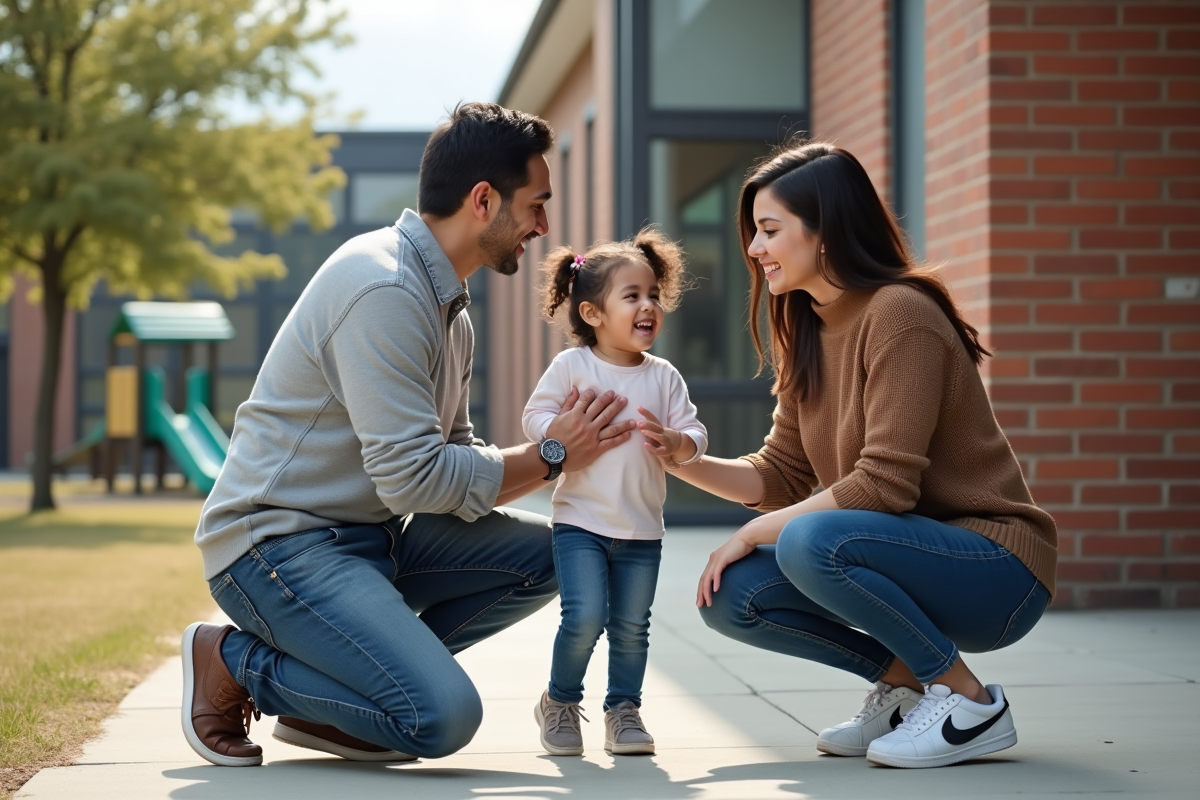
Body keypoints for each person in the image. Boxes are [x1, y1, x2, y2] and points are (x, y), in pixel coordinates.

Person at [180, 102, 639, 767]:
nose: (544, 226)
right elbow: (413, 478)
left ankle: (362, 693)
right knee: (441, 716)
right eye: (536, 204)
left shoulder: (449, 307)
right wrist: (551, 454)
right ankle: (232, 660)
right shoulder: (386, 289)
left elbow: (449, 457)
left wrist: (559, 454)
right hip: (276, 548)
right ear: (483, 200)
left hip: (372, 539)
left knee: (557, 557)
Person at [668, 141, 1057, 769]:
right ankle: (906, 684)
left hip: (997, 568)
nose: (753, 248)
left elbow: (884, 487)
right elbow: (781, 473)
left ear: (826, 233)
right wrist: (677, 459)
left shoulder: (900, 314)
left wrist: (753, 531)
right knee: (734, 594)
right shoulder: (810, 330)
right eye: (753, 232)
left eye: (769, 231)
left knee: (806, 540)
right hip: (914, 555)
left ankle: (970, 702)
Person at [522, 229, 706, 758]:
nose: (648, 306)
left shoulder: (664, 377)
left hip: (642, 530)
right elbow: (534, 417)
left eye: (653, 295)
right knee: (585, 617)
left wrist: (678, 443)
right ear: (593, 313)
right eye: (632, 296)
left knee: (631, 628)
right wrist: (562, 430)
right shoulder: (572, 368)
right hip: (580, 521)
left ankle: (623, 710)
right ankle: (559, 702)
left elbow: (695, 434)